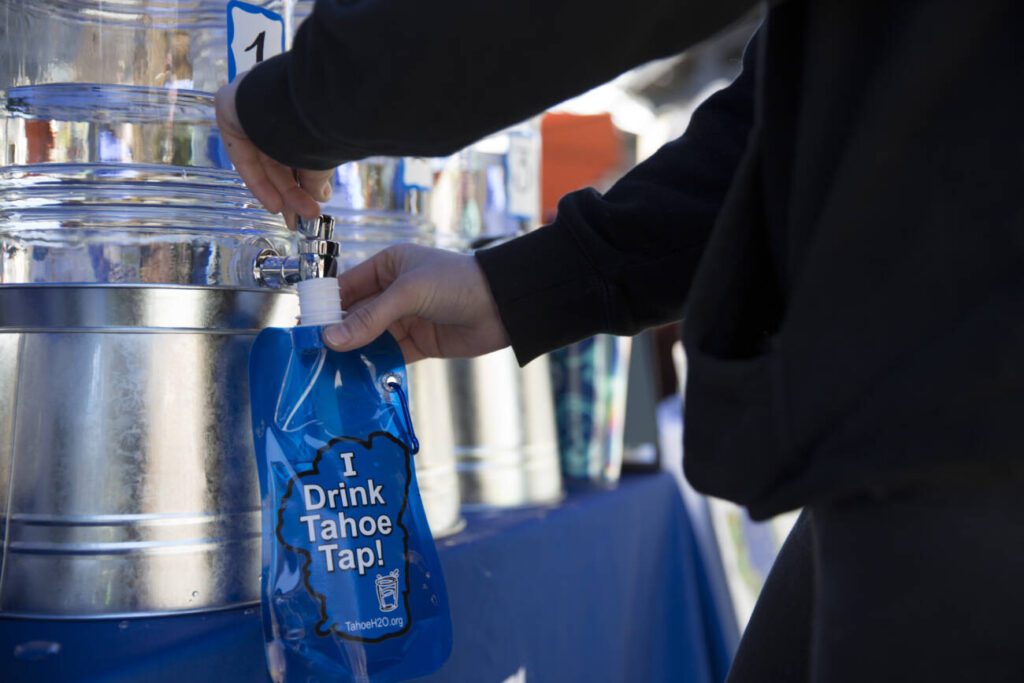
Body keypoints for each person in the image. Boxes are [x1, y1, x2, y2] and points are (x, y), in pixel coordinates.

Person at [215, 1, 1024, 680]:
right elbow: (799, 116)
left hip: (964, 429)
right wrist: (526, 284)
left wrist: (292, 100)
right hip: (929, 417)